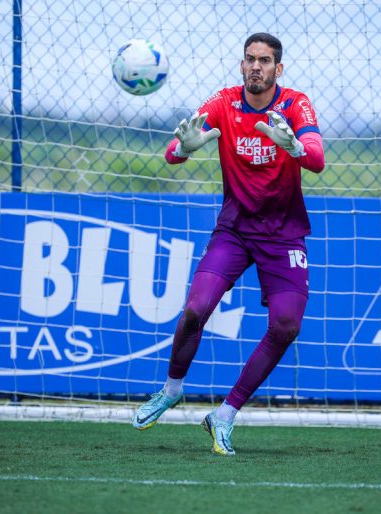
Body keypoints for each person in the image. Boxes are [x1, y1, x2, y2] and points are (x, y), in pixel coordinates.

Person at [132, 32, 325, 456]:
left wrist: (294, 146)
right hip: (234, 230)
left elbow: (317, 156)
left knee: (286, 327)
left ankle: (225, 414)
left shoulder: (294, 103)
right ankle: (171, 389)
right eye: (250, 59)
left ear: (279, 68)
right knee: (195, 310)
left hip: (283, 234)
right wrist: (182, 148)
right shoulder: (223, 102)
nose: (256, 66)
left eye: (265, 60)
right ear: (242, 66)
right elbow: (173, 150)